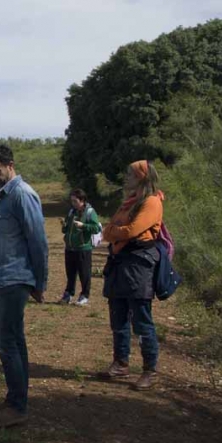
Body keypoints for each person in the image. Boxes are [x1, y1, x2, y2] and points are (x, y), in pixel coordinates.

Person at [0, 144, 48, 428]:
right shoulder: (2, 197)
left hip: (15, 278)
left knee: (3, 338)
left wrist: (40, 282)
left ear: (10, 164)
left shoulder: (22, 195)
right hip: (2, 278)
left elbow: (39, 242)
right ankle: (17, 399)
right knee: (14, 339)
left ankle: (18, 406)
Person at [99, 160, 164, 391]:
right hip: (120, 264)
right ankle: (121, 362)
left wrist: (112, 232)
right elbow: (111, 230)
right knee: (118, 317)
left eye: (130, 174)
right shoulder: (129, 203)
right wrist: (113, 232)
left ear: (142, 177)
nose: (126, 177)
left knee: (142, 321)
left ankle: (149, 370)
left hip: (138, 266)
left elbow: (131, 230)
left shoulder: (151, 202)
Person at [59, 189, 102, 306]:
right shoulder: (71, 212)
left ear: (82, 200)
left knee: (84, 273)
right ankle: (68, 294)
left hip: (83, 249)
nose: (73, 203)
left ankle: (84, 295)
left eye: (75, 201)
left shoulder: (90, 212)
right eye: (71, 201)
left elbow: (96, 228)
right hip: (70, 248)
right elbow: (66, 229)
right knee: (70, 273)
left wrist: (84, 226)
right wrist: (64, 225)